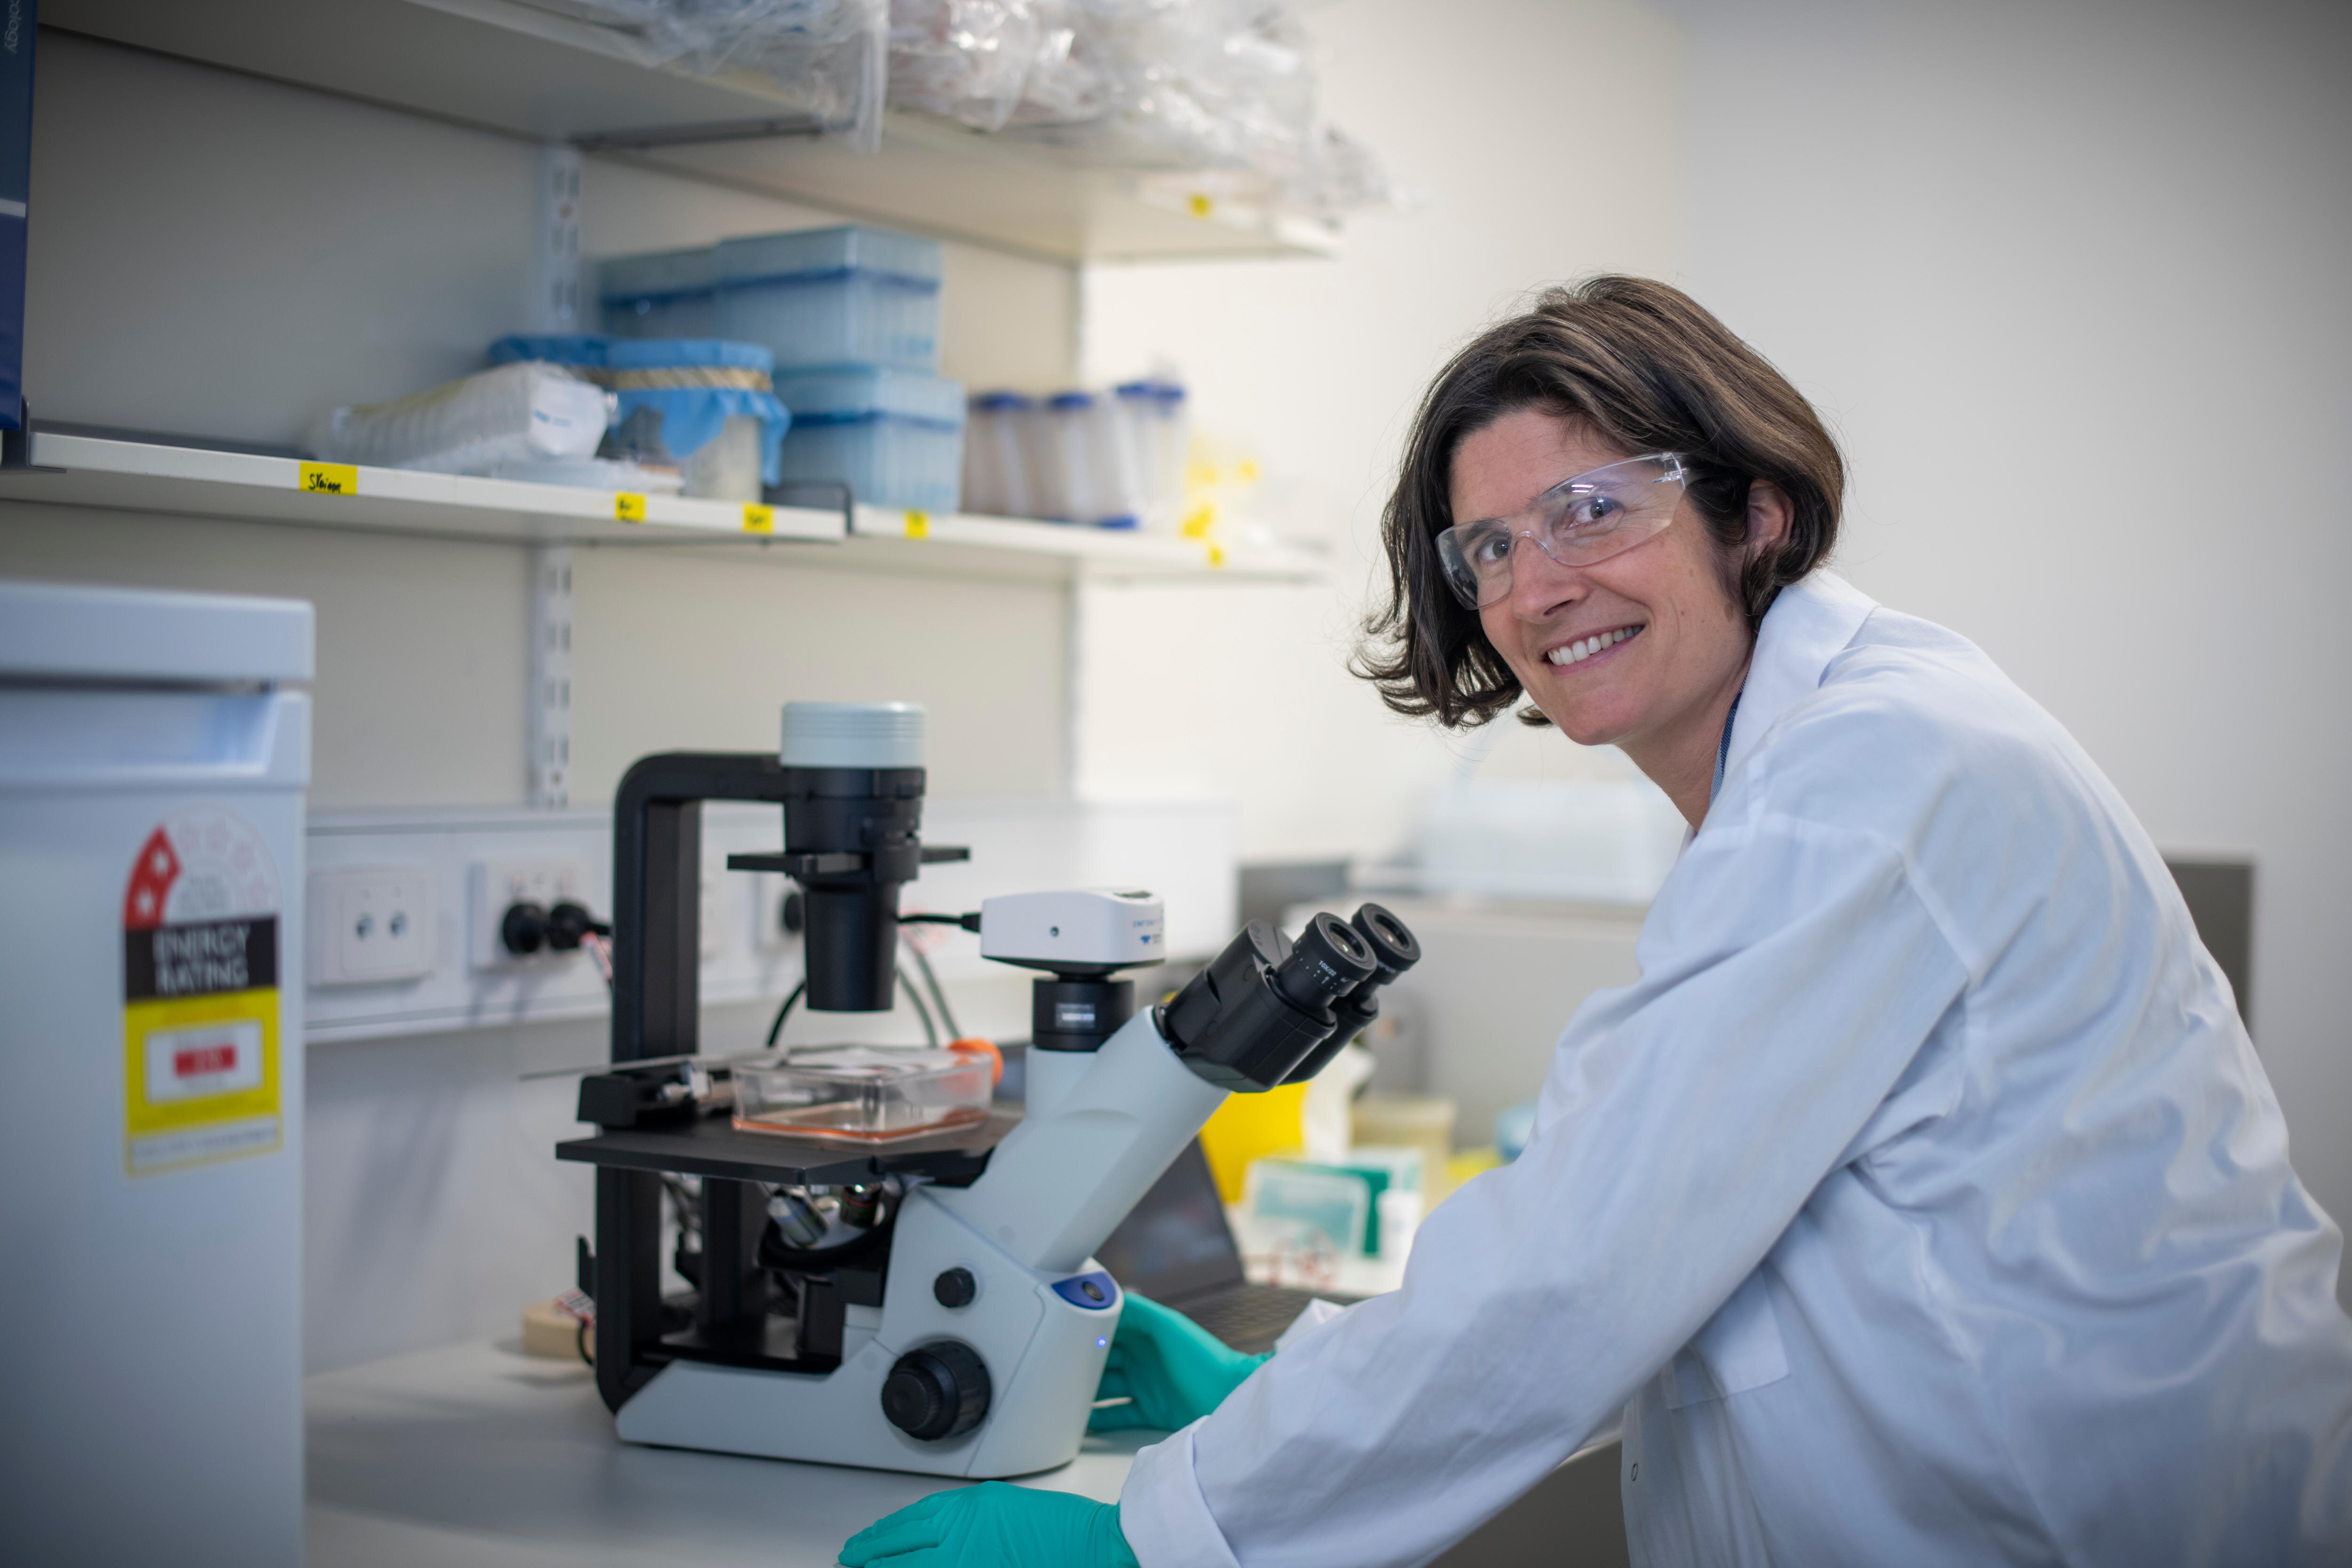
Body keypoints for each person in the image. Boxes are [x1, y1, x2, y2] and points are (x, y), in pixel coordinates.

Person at [840, 278, 2352, 1567]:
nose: (1539, 582)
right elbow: (1679, 1254)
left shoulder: (1872, 779)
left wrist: (1159, 1538)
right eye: (1490, 546)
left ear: (1753, 512)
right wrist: (1276, 1394)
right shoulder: (1821, 768)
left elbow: (1584, 1260)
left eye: (1590, 510)